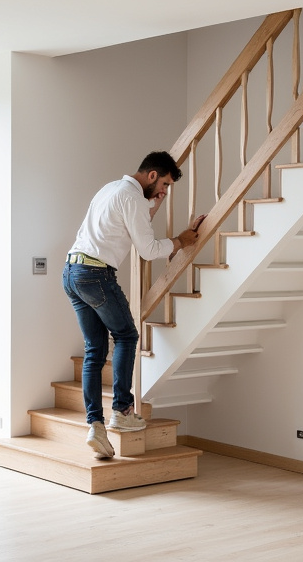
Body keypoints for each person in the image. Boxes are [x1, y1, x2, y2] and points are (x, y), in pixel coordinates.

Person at [63, 151, 206, 459]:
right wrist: (181, 241)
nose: (164, 191)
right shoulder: (133, 199)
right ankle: (123, 410)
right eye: (165, 184)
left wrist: (153, 203)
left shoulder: (111, 188)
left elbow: (135, 225)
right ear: (152, 175)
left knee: (94, 350)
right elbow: (148, 249)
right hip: (96, 274)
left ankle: (96, 426)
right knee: (126, 336)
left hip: (72, 271)